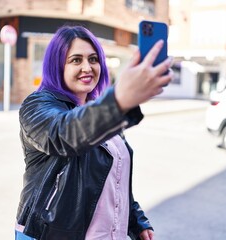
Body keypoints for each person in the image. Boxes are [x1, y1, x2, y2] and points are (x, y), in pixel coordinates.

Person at [15, 25, 172, 240]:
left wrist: (137, 221)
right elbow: (63, 134)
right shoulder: (37, 105)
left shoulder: (98, 111)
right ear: (57, 65)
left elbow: (114, 180)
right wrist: (119, 100)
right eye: (76, 60)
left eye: (93, 59)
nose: (87, 67)